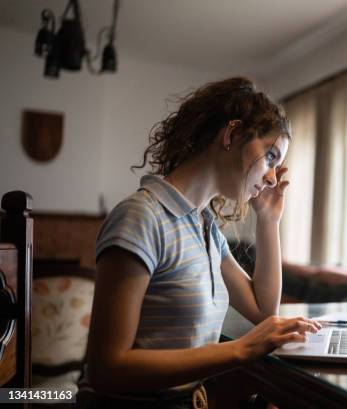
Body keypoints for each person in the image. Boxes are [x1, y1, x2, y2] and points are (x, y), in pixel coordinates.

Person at [77, 77, 322, 408]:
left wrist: (269, 221)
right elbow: (108, 368)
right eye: (270, 157)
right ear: (232, 135)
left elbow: (264, 310)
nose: (272, 177)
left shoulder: (204, 225)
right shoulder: (141, 218)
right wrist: (241, 349)